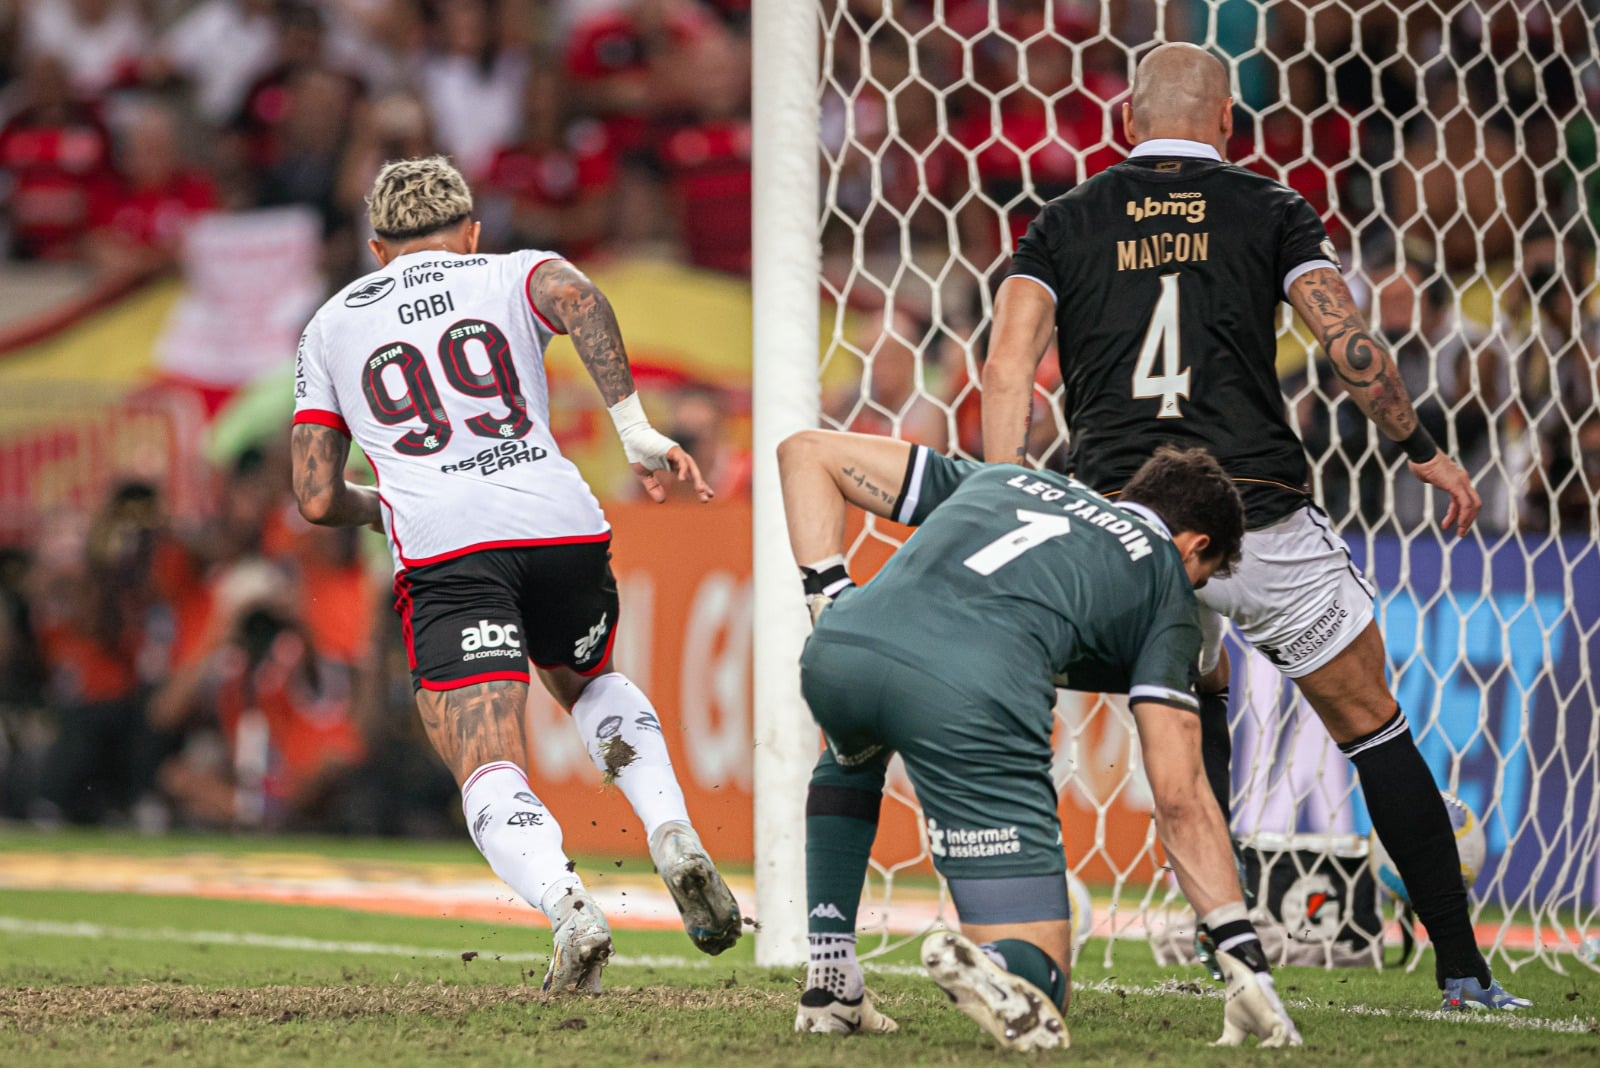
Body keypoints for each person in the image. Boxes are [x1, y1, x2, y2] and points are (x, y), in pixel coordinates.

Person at [980, 42, 1528, 1011]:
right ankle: (1462, 973)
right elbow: (1348, 345)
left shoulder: (1063, 221)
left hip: (1120, 523)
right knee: (1372, 725)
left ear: (1126, 127)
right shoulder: (1271, 209)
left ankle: (1212, 947)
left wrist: (1005, 496)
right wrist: (1420, 448)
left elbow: (1008, 367)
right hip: (1253, 517)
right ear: (1229, 126)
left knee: (1176, 690)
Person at [288, 155, 741, 993]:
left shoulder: (330, 324)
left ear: (379, 249)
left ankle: (570, 908)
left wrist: (387, 500)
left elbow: (315, 497)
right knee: (591, 680)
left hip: (449, 548)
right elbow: (582, 299)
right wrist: (636, 431)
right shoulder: (512, 270)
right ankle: (672, 830)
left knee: (485, 751)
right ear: (470, 231)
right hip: (559, 519)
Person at [779, 429, 1300, 1051]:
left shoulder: (1004, 478)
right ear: (1195, 547)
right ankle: (999, 966)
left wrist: (830, 593)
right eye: (1204, 576)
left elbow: (804, 452)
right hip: (969, 694)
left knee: (852, 753)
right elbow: (1180, 794)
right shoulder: (1164, 581)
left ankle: (831, 982)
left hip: (841, 651)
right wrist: (1242, 951)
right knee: (1046, 987)